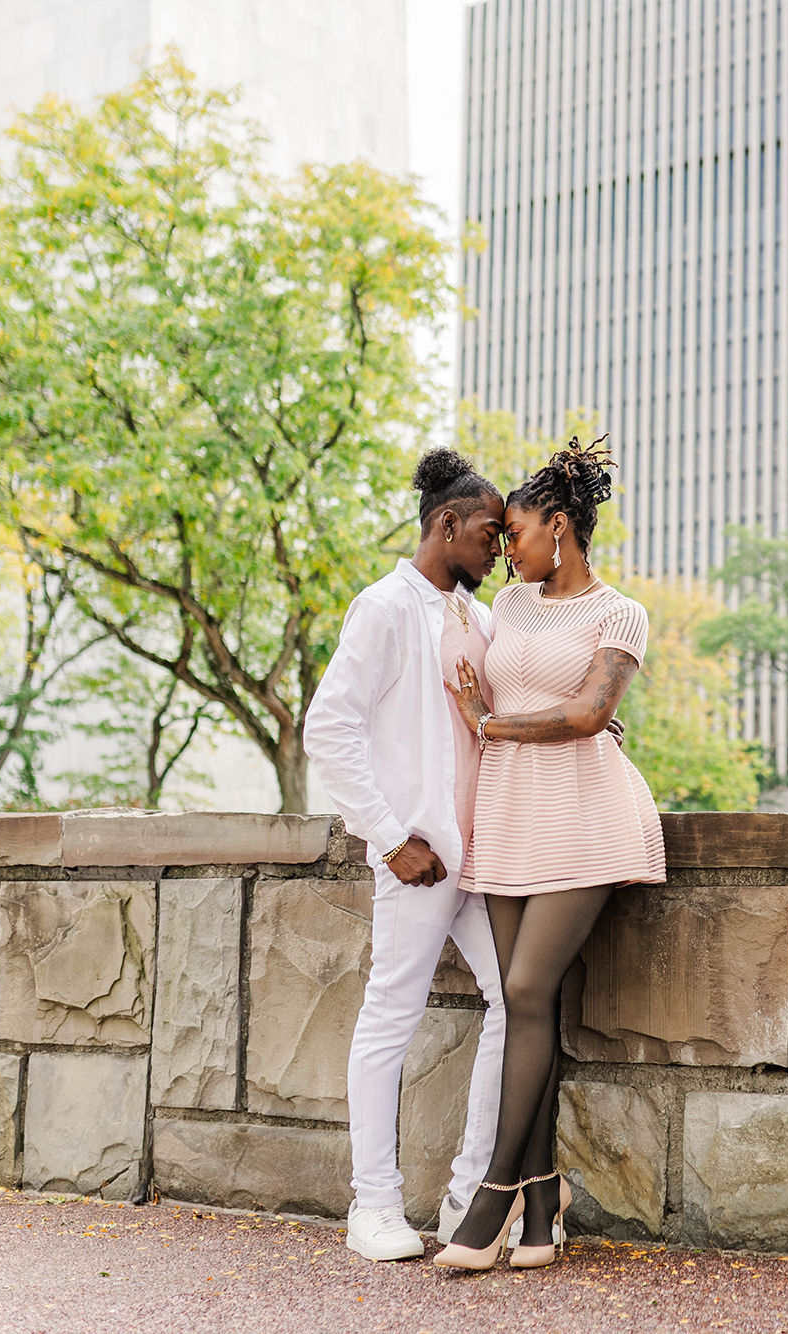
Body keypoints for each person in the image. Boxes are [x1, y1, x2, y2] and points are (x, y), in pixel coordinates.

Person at [434, 439, 666, 1272]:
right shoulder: (515, 605)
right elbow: (532, 690)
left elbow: (585, 714)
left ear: (560, 528)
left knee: (528, 989)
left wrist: (490, 724)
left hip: (584, 815)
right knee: (523, 1002)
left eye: (520, 531)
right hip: (508, 812)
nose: (507, 545)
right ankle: (542, 1204)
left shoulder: (620, 614)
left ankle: (492, 1195)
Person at [302, 448, 513, 1263]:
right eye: (489, 533)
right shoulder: (384, 606)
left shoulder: (477, 617)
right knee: (390, 1020)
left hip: (484, 860)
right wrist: (390, 838)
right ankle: (374, 1207)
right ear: (446, 523)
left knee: (516, 1004)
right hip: (419, 861)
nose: (496, 549)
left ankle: (469, 1193)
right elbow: (331, 727)